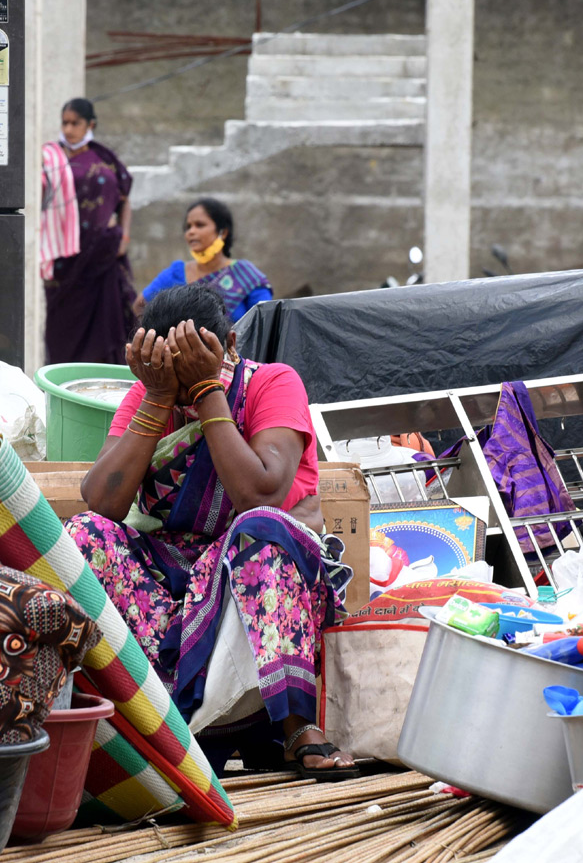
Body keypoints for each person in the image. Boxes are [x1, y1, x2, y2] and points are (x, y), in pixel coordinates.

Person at [67, 282, 359, 780]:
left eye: (195, 369)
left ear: (230, 344)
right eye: (172, 376)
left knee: (259, 529)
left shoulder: (272, 383)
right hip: (174, 585)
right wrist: (158, 396)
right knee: (84, 535)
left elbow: (261, 494)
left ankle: (295, 727)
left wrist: (208, 393)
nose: (184, 392)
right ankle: (154, 717)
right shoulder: (151, 396)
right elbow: (103, 501)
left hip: (260, 582)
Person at [44, 98, 136, 365]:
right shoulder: (51, 158)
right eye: (65, 123)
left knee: (105, 327)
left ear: (90, 124)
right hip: (64, 262)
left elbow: (124, 198)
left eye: (76, 123)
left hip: (102, 257)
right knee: (61, 330)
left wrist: (125, 237)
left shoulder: (105, 159)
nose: (70, 129)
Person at [134, 198, 271, 322]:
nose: (191, 232)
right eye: (188, 227)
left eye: (199, 225)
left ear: (222, 232)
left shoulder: (244, 274)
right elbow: (140, 305)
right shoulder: (176, 273)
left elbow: (266, 321)